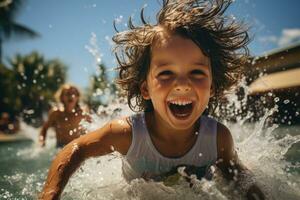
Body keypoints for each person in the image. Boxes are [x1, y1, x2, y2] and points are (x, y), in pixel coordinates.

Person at [39, 0, 266, 199]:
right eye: (166, 73)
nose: (182, 84)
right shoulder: (127, 135)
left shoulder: (217, 138)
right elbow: (76, 148)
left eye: (197, 73)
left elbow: (236, 175)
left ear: (212, 87)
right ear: (145, 89)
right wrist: (51, 193)